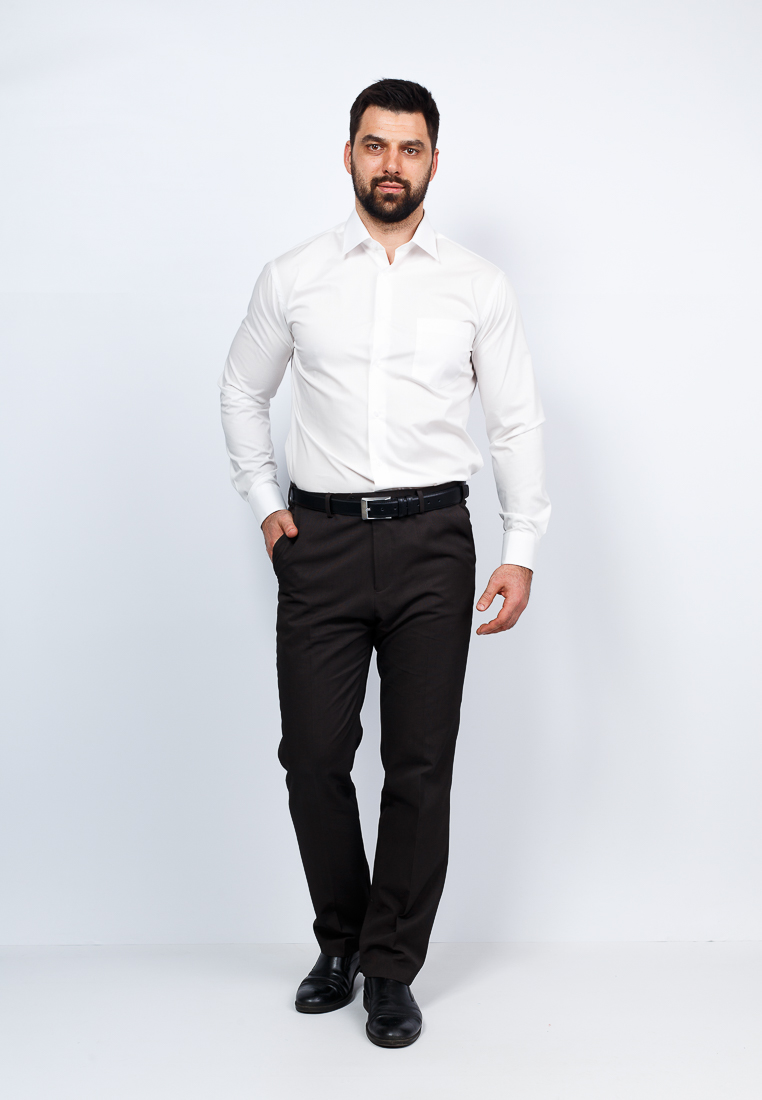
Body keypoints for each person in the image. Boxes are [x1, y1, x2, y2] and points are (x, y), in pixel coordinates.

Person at [219, 78, 550, 1048]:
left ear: (434, 160)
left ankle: (390, 965)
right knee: (313, 758)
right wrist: (268, 507)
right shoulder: (295, 275)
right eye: (375, 145)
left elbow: (515, 420)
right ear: (350, 154)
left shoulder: (478, 285)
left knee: (419, 764)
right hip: (318, 543)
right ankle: (342, 939)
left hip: (433, 543)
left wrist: (521, 547)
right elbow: (241, 390)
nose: (391, 164)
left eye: (410, 148)